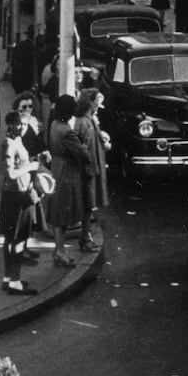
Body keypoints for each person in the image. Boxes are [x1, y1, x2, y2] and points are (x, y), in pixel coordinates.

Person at [0, 111, 42, 295]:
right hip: (17, 196)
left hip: (13, 195)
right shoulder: (10, 144)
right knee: (17, 240)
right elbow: (10, 174)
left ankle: (8, 278)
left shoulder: (16, 141)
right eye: (19, 124)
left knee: (10, 238)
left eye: (25, 125)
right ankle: (15, 281)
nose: (23, 128)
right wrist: (30, 167)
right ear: (10, 124)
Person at [45, 94, 91, 268]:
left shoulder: (54, 125)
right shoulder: (67, 131)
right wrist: (85, 145)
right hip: (67, 173)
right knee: (63, 214)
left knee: (57, 213)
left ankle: (59, 250)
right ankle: (60, 252)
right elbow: (83, 154)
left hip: (56, 168)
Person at [74, 89, 109, 253]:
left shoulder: (88, 120)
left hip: (91, 166)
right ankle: (85, 238)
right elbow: (82, 147)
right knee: (88, 205)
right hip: (89, 168)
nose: (98, 106)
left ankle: (85, 236)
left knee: (90, 205)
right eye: (97, 102)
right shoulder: (85, 122)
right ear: (91, 103)